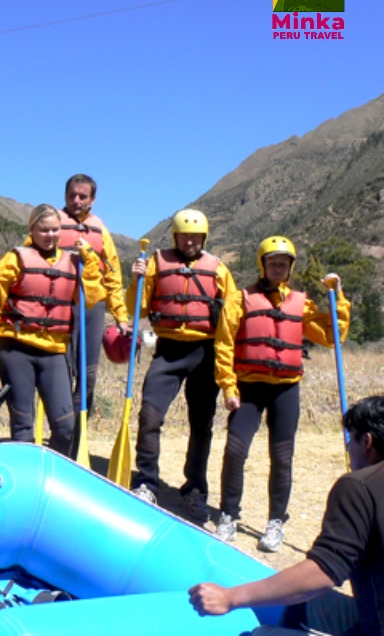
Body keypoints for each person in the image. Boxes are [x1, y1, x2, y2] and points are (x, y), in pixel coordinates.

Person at [189, 395, 384, 636]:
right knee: (301, 604)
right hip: (365, 618)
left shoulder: (359, 487)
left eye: (350, 439)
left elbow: (324, 571)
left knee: (260, 635)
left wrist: (230, 597)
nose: (346, 447)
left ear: (367, 441)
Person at [213, 236, 350, 552]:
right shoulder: (240, 299)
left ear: (290, 268)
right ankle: (228, 515)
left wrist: (337, 297)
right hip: (249, 387)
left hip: (286, 389)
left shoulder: (301, 303)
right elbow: (224, 344)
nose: (278, 267)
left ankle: (276, 522)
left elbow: (331, 337)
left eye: (284, 263)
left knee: (282, 456)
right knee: (235, 451)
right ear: (263, 264)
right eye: (273, 262)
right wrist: (229, 388)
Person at [127, 208, 237, 524]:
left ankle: (195, 489)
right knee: (149, 415)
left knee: (201, 425)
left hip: (205, 352)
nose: (190, 241)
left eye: (196, 237)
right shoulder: (155, 264)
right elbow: (140, 303)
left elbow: (231, 315)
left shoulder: (218, 269)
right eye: (185, 236)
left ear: (204, 238)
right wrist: (136, 278)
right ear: (176, 236)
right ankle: (147, 482)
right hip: (169, 350)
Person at [0, 204, 105, 455]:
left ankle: (55, 476)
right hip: (15, 349)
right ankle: (26, 484)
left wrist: (89, 260)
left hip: (54, 351)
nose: (50, 235)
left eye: (55, 229)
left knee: (65, 426)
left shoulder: (74, 261)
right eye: (44, 230)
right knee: (23, 425)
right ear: (32, 229)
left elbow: (92, 296)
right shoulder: (14, 260)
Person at [55, 175, 130, 454]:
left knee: (87, 376)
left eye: (83, 196)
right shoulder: (51, 224)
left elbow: (112, 276)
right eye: (72, 195)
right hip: (59, 307)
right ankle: (60, 437)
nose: (77, 201)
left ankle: (79, 439)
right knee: (60, 372)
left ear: (92, 199)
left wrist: (120, 315)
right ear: (65, 195)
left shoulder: (100, 230)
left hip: (91, 307)